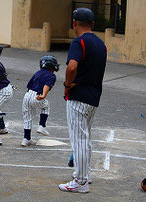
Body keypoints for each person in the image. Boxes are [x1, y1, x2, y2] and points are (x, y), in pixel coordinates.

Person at [58, 8, 107, 193]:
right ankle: (85, 175)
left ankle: (81, 181)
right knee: (85, 138)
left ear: (74, 23)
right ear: (93, 24)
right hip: (94, 96)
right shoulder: (101, 44)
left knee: (79, 139)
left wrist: (67, 84)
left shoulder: (79, 42)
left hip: (79, 95)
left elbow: (72, 67)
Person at [21, 55, 59, 146]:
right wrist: (43, 95)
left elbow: (30, 84)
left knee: (28, 118)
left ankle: (26, 139)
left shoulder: (37, 72)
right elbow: (47, 85)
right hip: (37, 95)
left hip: (27, 95)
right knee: (46, 106)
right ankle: (42, 126)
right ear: (51, 66)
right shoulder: (51, 75)